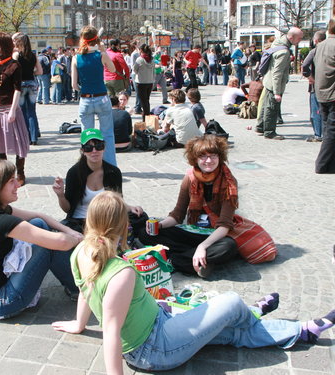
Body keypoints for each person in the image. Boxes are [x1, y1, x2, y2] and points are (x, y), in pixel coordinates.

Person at [52, 190, 335, 373]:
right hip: (155, 347)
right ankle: (252, 314)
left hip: (157, 324)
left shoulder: (80, 251)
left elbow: (84, 290)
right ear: (123, 226)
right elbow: (111, 334)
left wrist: (79, 325)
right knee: (231, 303)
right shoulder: (120, 273)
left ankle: (300, 331)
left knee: (232, 331)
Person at [0, 159, 83, 319]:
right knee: (48, 245)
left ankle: (75, 286)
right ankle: (78, 289)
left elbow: (39, 215)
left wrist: (69, 231)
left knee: (38, 224)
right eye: (11, 181)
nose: (18, 185)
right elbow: (61, 243)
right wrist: (83, 240)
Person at [139, 135, 241, 277]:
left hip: (214, 236)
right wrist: (160, 226)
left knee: (229, 247)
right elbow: (178, 215)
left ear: (220, 157)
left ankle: (174, 260)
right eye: (203, 156)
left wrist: (202, 246)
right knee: (145, 234)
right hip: (193, 230)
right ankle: (199, 260)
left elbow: (224, 226)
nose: (209, 161)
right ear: (195, 158)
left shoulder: (229, 182)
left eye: (213, 156)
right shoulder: (190, 178)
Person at [52, 128, 142, 234]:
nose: (94, 151)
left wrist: (131, 208)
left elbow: (117, 203)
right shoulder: (74, 173)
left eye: (98, 146)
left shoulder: (113, 172)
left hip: (106, 221)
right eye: (88, 148)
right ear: (82, 151)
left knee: (141, 218)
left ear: (104, 148)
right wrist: (60, 195)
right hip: (80, 221)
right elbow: (68, 209)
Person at [0, 32, 30, 186]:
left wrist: (13, 109)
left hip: (10, 106)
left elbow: (18, 89)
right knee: (0, 141)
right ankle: (3, 173)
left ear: (3, 45)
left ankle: (20, 172)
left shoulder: (14, 65)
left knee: (17, 141)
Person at [71, 25, 117, 167]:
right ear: (96, 39)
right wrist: (103, 51)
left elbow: (74, 85)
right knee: (107, 133)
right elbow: (113, 69)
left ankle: (88, 166)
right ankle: (110, 165)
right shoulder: (101, 55)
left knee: (86, 135)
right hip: (102, 96)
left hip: (86, 97)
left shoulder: (76, 58)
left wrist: (82, 89)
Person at [256, 27, 303, 140]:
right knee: (271, 108)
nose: (300, 41)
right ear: (291, 37)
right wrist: (277, 92)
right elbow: (278, 73)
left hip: (267, 80)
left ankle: (260, 127)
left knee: (264, 105)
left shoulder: (278, 42)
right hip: (274, 83)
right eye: (299, 38)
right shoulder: (284, 52)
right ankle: (270, 132)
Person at [313, 18, 335, 174]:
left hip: (322, 92)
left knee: (329, 128)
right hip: (333, 93)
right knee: (332, 131)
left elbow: (307, 65)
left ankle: (330, 164)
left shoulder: (320, 46)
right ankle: (321, 164)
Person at [13, 33, 42, 145]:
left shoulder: (16, 56)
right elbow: (40, 72)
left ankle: (26, 136)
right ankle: (34, 137)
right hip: (32, 83)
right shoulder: (33, 55)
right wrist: (31, 72)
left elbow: (14, 70)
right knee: (31, 111)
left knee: (23, 111)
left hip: (21, 84)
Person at [302, 30, 326, 143]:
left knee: (316, 110)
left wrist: (309, 77)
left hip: (316, 86)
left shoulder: (314, 51)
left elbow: (305, 66)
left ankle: (318, 134)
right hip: (329, 86)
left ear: (316, 40)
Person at [133, 43, 155, 122]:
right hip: (150, 82)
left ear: (141, 50)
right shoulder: (151, 59)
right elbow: (154, 71)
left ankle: (146, 117)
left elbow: (135, 70)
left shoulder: (139, 59)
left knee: (143, 101)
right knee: (146, 100)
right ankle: (146, 115)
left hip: (141, 82)